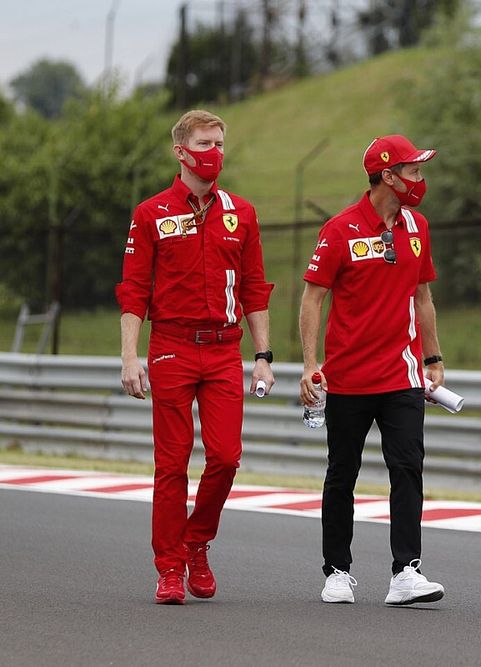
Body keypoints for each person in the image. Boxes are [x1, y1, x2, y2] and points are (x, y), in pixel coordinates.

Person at [117, 109, 275, 604]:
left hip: (226, 350)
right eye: (206, 144)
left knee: (227, 457)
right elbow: (134, 291)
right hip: (171, 349)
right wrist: (130, 356)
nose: (215, 154)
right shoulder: (151, 214)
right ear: (181, 152)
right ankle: (168, 568)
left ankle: (197, 541)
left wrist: (264, 354)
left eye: (221, 144)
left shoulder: (241, 213)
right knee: (172, 464)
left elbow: (254, 289)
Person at [299, 134, 446, 606]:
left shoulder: (417, 226)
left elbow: (423, 297)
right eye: (414, 171)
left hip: (401, 375)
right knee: (342, 473)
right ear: (388, 175)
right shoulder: (339, 229)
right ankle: (337, 571)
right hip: (346, 377)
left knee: (407, 468)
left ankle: (406, 571)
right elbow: (312, 297)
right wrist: (309, 363)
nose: (420, 181)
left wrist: (434, 359)